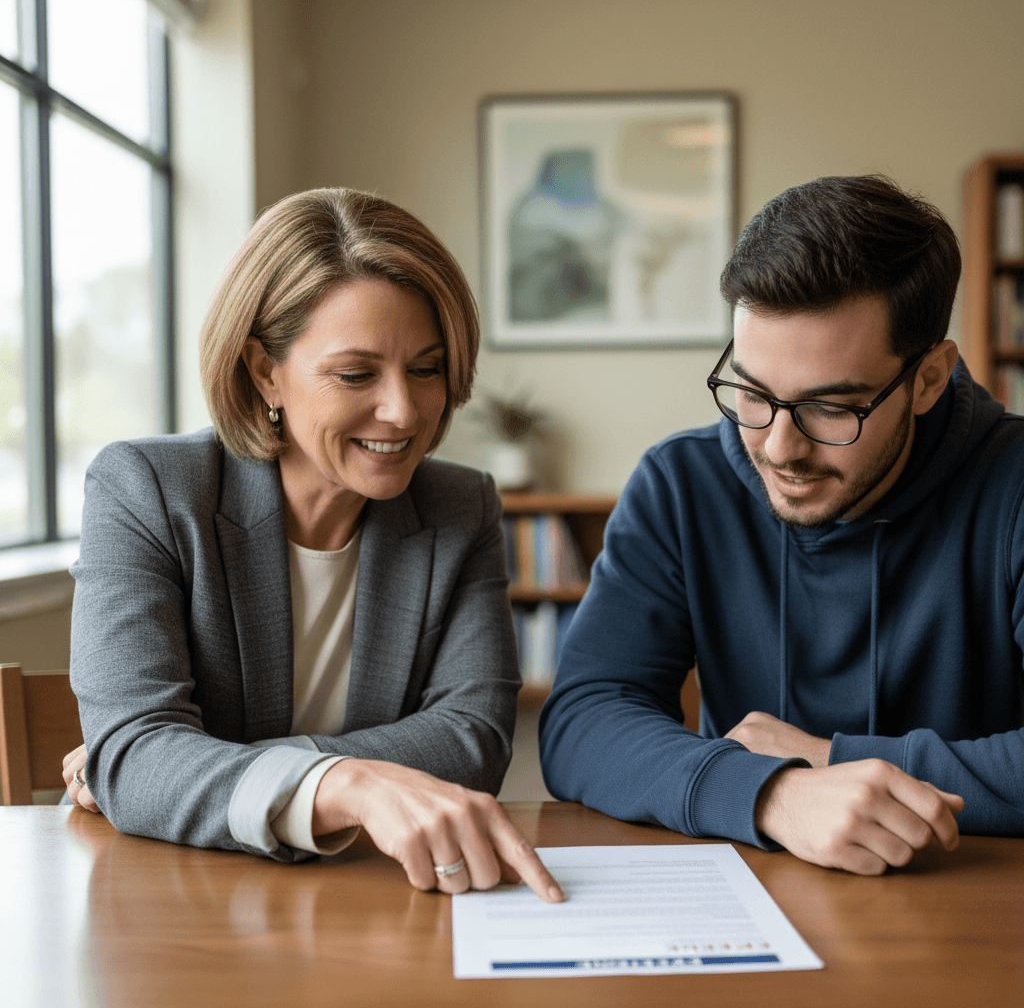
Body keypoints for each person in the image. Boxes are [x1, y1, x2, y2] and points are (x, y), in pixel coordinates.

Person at [62, 187, 562, 903]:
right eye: (356, 374)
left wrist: (181, 769)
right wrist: (346, 780)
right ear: (265, 371)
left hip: (377, 896)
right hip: (182, 899)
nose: (404, 410)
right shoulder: (146, 489)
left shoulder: (460, 505)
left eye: (426, 368)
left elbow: (472, 743)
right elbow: (138, 757)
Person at [540, 174, 1024, 876]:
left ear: (928, 379)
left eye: (832, 408)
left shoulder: (1013, 484)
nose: (777, 446)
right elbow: (583, 721)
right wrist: (775, 794)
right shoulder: (681, 485)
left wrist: (833, 760)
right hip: (752, 894)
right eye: (752, 392)